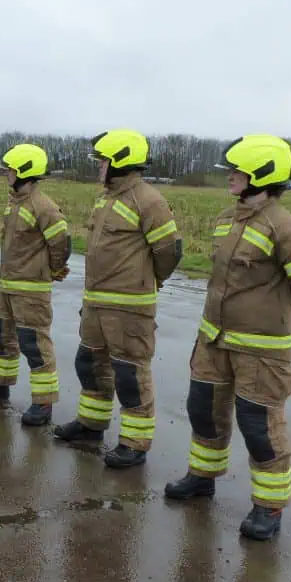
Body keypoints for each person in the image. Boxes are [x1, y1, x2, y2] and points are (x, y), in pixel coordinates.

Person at [164, 135, 291, 542]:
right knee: (203, 410)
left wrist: (267, 314)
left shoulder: (286, 227)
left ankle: (268, 506)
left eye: (237, 171)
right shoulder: (227, 218)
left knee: (259, 426)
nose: (230, 177)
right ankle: (202, 477)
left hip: (261, 348)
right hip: (214, 339)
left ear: (263, 176)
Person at [53, 130, 182, 469]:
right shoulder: (106, 198)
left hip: (129, 307)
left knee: (130, 375)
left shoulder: (149, 201)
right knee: (89, 365)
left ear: (121, 163)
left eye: (104, 161)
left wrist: (147, 282)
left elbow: (169, 251)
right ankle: (91, 425)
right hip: (96, 302)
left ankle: (134, 443)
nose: (99, 167)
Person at [0, 143, 71, 426]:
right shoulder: (16, 203)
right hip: (9, 287)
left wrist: (52, 269)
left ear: (25, 172)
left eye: (10, 170)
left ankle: (44, 403)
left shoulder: (43, 207)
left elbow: (62, 242)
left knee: (34, 345)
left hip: (31, 290)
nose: (6, 175)